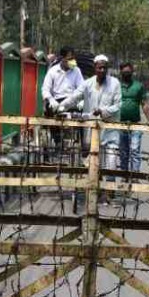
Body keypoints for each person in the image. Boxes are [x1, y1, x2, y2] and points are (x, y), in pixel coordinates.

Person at [59, 54, 122, 199]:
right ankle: (96, 187)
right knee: (93, 161)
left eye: (104, 68)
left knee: (111, 161)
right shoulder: (87, 84)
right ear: (95, 68)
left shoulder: (115, 83)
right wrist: (61, 107)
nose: (102, 70)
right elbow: (75, 97)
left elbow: (118, 105)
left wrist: (103, 111)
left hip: (109, 129)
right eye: (99, 68)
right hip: (91, 129)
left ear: (107, 68)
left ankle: (110, 191)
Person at [117, 62, 149, 175]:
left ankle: (135, 175)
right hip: (120, 124)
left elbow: (144, 104)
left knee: (135, 150)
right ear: (120, 72)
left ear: (132, 72)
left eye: (128, 72)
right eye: (124, 72)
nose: (126, 74)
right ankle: (124, 175)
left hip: (135, 124)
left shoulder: (138, 86)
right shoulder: (116, 86)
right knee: (123, 151)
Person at [42, 46, 84, 114]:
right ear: (62, 58)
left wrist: (81, 100)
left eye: (73, 59)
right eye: (69, 59)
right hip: (57, 101)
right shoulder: (53, 71)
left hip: (72, 101)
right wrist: (51, 99)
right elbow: (45, 89)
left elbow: (81, 87)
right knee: (50, 108)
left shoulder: (76, 70)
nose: (72, 61)